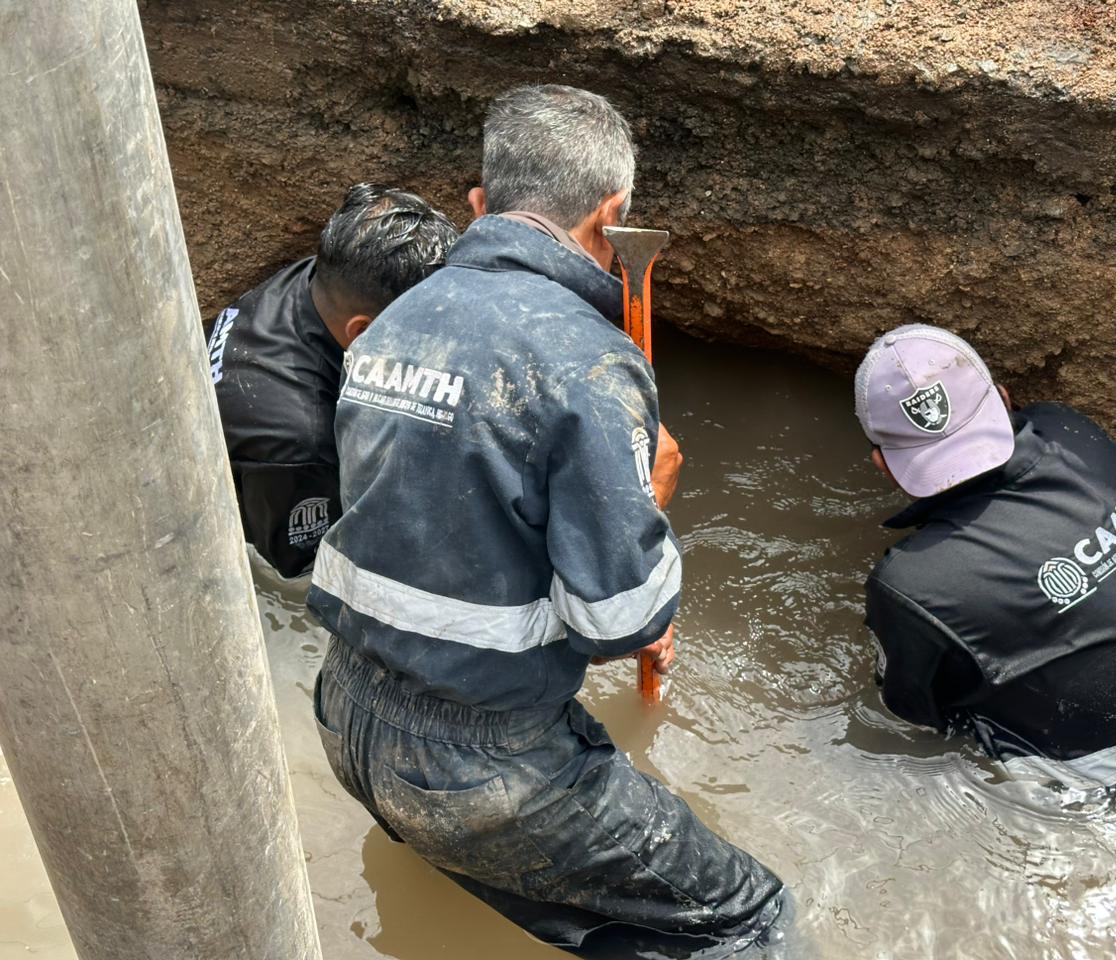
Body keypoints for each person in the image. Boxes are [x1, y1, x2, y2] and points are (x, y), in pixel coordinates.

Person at [306, 85, 788, 956]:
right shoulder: (586, 362)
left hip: (345, 717)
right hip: (481, 768)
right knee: (750, 918)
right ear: (611, 217)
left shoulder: (388, 324)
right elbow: (622, 620)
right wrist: (648, 516)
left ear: (480, 206)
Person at [854, 323, 1116, 789]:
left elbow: (910, 716)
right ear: (1004, 400)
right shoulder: (1073, 432)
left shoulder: (911, 584)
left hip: (1085, 787)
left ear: (882, 463)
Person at [206, 183, 458, 578]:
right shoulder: (302, 440)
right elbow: (303, 572)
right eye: (427, 328)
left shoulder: (333, 275)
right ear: (362, 332)